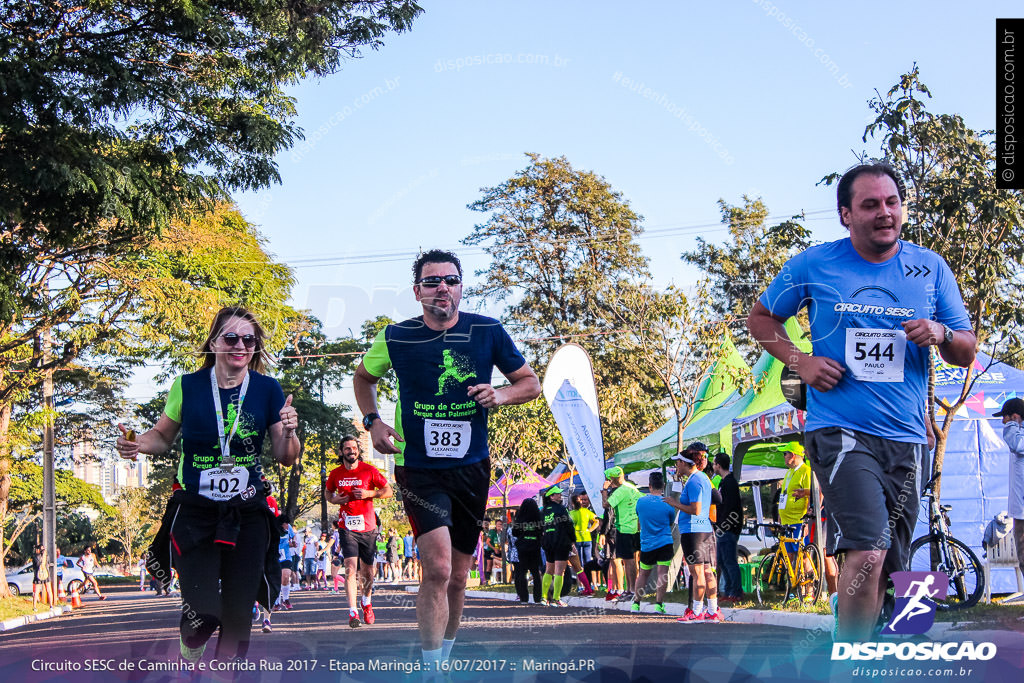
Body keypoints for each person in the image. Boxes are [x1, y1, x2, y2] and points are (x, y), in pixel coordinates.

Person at [747, 162, 976, 641]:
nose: (884, 213)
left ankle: (876, 644)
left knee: (895, 562)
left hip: (910, 437)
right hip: (840, 428)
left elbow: (966, 349)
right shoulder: (813, 264)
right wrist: (801, 362)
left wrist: (940, 331)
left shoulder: (930, 268)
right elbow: (763, 317)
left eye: (892, 202)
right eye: (870, 204)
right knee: (868, 550)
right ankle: (850, 661)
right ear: (845, 214)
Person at [352, 249, 540, 668]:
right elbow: (363, 377)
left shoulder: (488, 330)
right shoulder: (396, 336)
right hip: (418, 467)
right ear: (418, 291)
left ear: (461, 287)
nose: (443, 288)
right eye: (433, 281)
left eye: (451, 280)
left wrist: (500, 394)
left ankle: (446, 657)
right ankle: (431, 669)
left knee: (458, 577)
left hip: (471, 467)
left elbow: (530, 382)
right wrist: (373, 422)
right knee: (435, 567)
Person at [115, 305, 300, 661]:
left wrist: (290, 431)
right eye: (231, 338)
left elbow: (286, 455)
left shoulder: (267, 389)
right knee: (205, 612)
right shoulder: (187, 386)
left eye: (249, 339)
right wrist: (137, 443)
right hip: (196, 512)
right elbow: (162, 437)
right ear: (214, 342)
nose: (241, 346)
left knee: (237, 615)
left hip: (247, 511)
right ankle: (192, 635)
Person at [325, 435, 393, 628]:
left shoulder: (369, 471)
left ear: (358, 450)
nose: (351, 451)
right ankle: (353, 612)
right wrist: (334, 500)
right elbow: (328, 493)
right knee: (350, 569)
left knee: (368, 572)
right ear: (341, 452)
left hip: (368, 528)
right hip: (347, 528)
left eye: (354, 448)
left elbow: (388, 491)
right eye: (347, 448)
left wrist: (369, 493)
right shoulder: (335, 474)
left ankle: (367, 602)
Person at [665, 451, 720, 622]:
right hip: (704, 530)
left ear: (686, 463)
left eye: (678, 462)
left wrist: (675, 504)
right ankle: (712, 610)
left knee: (697, 574)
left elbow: (696, 510)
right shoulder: (703, 477)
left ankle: (697, 611)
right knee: (706, 571)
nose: (676, 466)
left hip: (693, 531)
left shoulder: (695, 480)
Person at [632, 472, 676, 614]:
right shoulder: (668, 504)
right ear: (663, 486)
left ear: (649, 486)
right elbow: (670, 522)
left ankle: (636, 603)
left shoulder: (641, 502)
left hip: (647, 544)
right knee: (662, 573)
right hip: (665, 542)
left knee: (643, 573)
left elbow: (639, 518)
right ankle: (659, 604)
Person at [995, 397, 1024, 604]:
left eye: (1005, 418)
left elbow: (1016, 444)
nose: (1003, 423)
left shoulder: (1017, 434)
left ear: (1014, 416)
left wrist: (1013, 424)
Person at [601, 466, 642, 602]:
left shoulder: (620, 491)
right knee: (633, 561)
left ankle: (631, 590)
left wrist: (605, 491)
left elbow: (606, 505)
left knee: (628, 561)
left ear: (613, 479)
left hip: (625, 529)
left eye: (609, 479)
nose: (608, 481)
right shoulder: (632, 487)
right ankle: (631, 589)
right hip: (636, 527)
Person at [713, 452, 745, 603]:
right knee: (722, 561)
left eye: (714, 464)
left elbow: (731, 508)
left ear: (718, 465)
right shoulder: (722, 482)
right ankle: (728, 590)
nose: (713, 466)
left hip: (728, 529)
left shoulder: (730, 483)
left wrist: (724, 526)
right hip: (721, 528)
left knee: (730, 560)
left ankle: (736, 591)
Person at [539, 485, 575, 606]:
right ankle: (556, 599)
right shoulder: (561, 509)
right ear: (552, 497)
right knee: (560, 571)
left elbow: (540, 527)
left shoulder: (543, 510)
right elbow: (569, 525)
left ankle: (544, 598)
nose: (560, 495)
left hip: (548, 543)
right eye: (557, 494)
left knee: (549, 570)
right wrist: (572, 540)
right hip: (561, 542)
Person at [512, 497, 544, 604]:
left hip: (522, 547)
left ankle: (524, 598)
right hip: (535, 547)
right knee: (536, 573)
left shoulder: (520, 519)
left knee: (522, 572)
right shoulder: (539, 519)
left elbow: (514, 532)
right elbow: (541, 532)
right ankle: (537, 598)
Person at [32, 544, 53, 611]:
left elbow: (35, 566)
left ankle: (34, 607)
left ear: (38, 550)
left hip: (38, 575)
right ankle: (51, 606)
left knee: (37, 591)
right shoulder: (47, 557)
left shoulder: (35, 557)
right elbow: (48, 564)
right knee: (49, 590)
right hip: (46, 573)